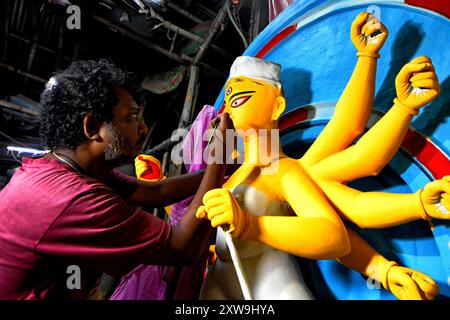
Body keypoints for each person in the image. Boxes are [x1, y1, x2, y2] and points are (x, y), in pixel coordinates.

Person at [197, 13, 447, 300]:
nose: (229, 105)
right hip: (216, 285)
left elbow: (336, 234)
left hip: (273, 288)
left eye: (240, 97)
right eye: (228, 100)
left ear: (277, 106)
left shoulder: (287, 172)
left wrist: (371, 62)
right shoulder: (231, 175)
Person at [0, 59, 234, 299]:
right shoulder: (71, 199)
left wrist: (226, 167)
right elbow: (184, 248)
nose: (142, 128)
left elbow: (157, 193)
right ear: (92, 127)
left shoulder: (68, 170)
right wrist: (219, 154)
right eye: (132, 118)